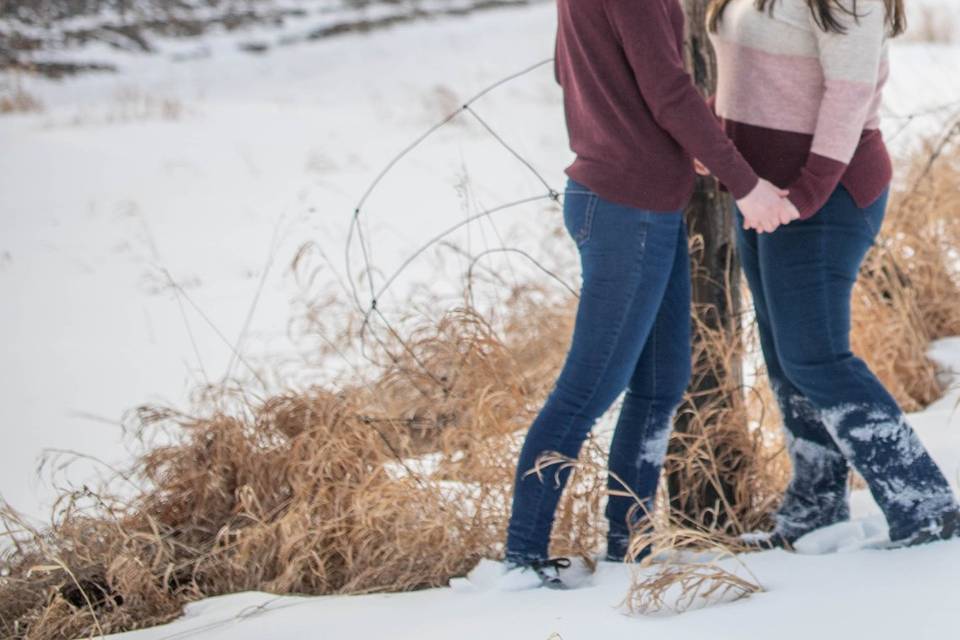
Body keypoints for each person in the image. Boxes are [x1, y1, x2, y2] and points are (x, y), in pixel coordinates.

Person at [500, 0, 798, 590]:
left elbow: (583, 73)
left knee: (663, 381)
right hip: (624, 208)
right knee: (590, 386)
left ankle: (629, 543)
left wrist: (666, 136)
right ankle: (523, 558)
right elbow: (667, 91)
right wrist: (745, 183)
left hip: (643, 204)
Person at [703, 0, 960, 549]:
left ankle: (926, 507)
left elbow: (849, 93)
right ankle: (814, 506)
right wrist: (716, 139)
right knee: (783, 352)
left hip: (823, 191)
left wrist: (808, 192)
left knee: (813, 357)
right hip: (762, 193)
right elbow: (746, 72)